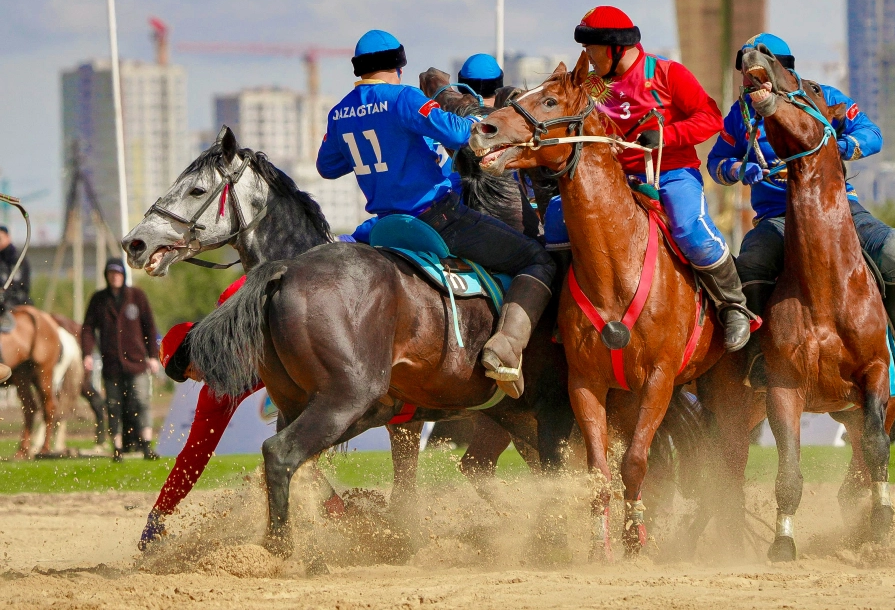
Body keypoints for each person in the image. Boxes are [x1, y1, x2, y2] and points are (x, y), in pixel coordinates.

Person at [316, 30, 555, 399]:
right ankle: (506, 347)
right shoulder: (405, 97)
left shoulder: (340, 111)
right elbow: (461, 133)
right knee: (535, 257)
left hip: (383, 226)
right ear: (398, 65)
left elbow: (327, 166)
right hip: (438, 219)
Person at [706, 33, 895, 389]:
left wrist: (840, 147)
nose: (748, 81)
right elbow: (717, 161)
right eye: (745, 74)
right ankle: (761, 353)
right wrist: (737, 169)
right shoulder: (741, 114)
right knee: (750, 262)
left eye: (757, 73)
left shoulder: (821, 98)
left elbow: (871, 132)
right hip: (777, 218)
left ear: (781, 69)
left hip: (839, 209)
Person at [542, 6, 755, 351]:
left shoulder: (668, 74)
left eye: (591, 49)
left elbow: (711, 118)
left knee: (691, 229)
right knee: (555, 216)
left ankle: (733, 307)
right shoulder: (592, 86)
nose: (588, 57)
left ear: (614, 48)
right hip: (612, 180)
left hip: (671, 173)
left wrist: (665, 135)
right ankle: (559, 312)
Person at [138, 275, 347, 550]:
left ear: (197, 347)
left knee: (287, 453)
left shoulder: (231, 303)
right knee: (288, 457)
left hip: (328, 335)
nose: (196, 379)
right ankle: (343, 519)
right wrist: (160, 512)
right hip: (316, 384)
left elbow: (274, 266)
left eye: (190, 370)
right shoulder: (217, 392)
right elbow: (193, 457)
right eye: (188, 377)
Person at [80, 257, 160, 461]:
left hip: (136, 362)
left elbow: (149, 327)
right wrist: (87, 353)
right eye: (111, 273)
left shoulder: (137, 296)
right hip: (111, 363)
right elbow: (88, 328)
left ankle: (146, 445)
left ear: (123, 275)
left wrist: (152, 356)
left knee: (141, 401)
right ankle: (117, 447)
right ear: (106, 276)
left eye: (118, 273)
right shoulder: (99, 299)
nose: (114, 277)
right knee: (114, 405)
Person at [0, 224, 31, 336]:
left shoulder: (17, 258)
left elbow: (18, 284)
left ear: (8, 237)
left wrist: (4, 295)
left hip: (18, 300)